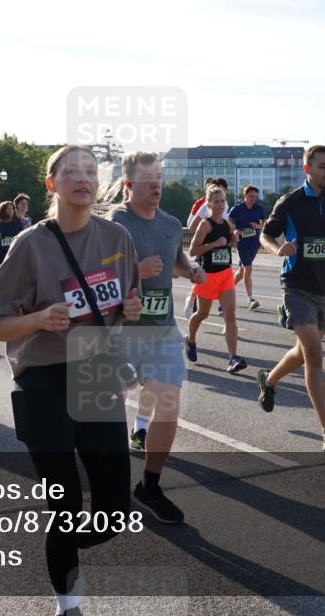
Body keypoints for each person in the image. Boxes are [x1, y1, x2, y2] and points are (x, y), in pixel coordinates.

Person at [0, 145, 141, 616]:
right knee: (65, 499)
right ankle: (67, 601)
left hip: (95, 374)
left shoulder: (117, 237)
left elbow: (122, 307)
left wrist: (129, 312)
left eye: (91, 171)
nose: (83, 179)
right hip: (43, 380)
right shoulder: (30, 244)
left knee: (115, 510)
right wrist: (37, 320)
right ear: (52, 184)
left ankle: (65, 543)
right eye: (71, 172)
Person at [107, 151, 206, 525]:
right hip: (117, 331)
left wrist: (192, 269)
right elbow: (93, 272)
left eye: (160, 178)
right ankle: (107, 479)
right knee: (107, 410)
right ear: (130, 184)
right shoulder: (115, 224)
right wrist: (135, 269)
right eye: (149, 179)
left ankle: (149, 484)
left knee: (169, 403)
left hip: (161, 328)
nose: (157, 185)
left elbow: (175, 257)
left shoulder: (170, 222)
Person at [255, 145, 325, 451]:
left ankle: (269, 380)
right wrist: (278, 249)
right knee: (314, 355)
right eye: (323, 167)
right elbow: (266, 235)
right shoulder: (290, 202)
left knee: (302, 352)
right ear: (308, 169)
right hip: (297, 286)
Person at [185, 184, 246, 373]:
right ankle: (190, 339)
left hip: (225, 275)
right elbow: (193, 250)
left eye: (222, 201)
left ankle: (233, 358)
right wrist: (213, 244)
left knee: (230, 316)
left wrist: (234, 237)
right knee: (203, 313)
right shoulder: (205, 224)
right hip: (208, 277)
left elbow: (232, 237)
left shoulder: (227, 223)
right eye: (216, 202)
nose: (220, 205)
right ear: (209, 204)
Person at [228, 185, 266, 311]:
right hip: (241, 242)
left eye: (255, 196)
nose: (253, 199)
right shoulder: (238, 208)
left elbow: (265, 222)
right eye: (250, 196)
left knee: (242, 271)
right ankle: (251, 299)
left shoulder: (258, 208)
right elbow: (228, 219)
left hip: (254, 242)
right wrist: (234, 230)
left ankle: (226, 290)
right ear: (245, 196)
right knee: (248, 269)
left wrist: (258, 225)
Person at [0, 200, 24, 266]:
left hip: (16, 254)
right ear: (2, 211)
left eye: (12, 209)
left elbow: (22, 237)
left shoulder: (17, 222)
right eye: (8, 209)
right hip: (3, 255)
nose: (10, 211)